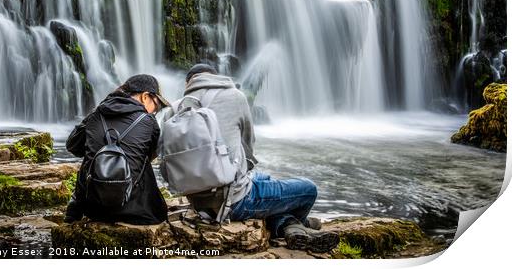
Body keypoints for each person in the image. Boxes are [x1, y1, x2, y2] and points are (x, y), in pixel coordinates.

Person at [161, 64, 339, 252]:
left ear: (188, 82)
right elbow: (248, 146)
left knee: (263, 178)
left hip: (197, 203)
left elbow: (166, 161)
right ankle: (290, 224)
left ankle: (291, 226)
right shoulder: (235, 97)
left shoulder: (174, 109)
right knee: (308, 189)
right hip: (234, 202)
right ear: (215, 77)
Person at [64, 74, 171, 225]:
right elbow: (152, 155)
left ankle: (75, 206)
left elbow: (73, 146)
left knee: (94, 157)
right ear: (145, 96)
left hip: (93, 208)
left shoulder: (96, 114)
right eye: (157, 105)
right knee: (141, 160)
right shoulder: (149, 121)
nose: (155, 111)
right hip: (137, 212)